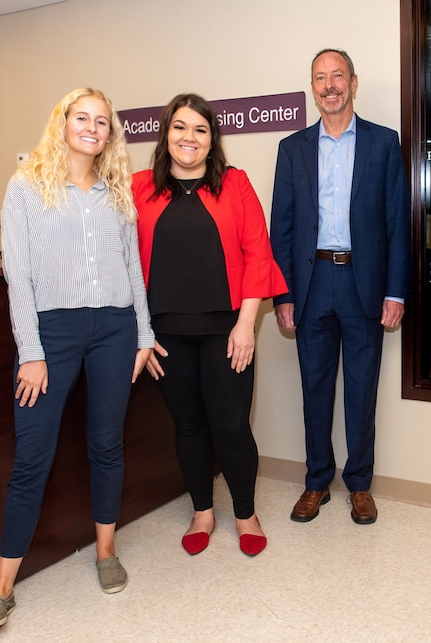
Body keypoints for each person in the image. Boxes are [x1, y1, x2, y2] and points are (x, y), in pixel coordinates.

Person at [0, 88, 154, 631]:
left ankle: (105, 552)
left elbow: (132, 269)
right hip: (52, 333)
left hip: (116, 329)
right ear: (63, 122)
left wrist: (143, 334)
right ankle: (2, 586)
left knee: (106, 444)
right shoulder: (26, 187)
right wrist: (31, 352)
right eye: (83, 117)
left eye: (102, 122)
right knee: (32, 457)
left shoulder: (115, 190)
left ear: (109, 135)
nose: (92, 128)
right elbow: (19, 277)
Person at [132, 94, 287, 558]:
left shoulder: (234, 184)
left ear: (211, 139)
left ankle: (245, 513)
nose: (189, 138)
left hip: (226, 330)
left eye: (200, 130)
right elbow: (121, 259)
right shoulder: (140, 187)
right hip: (166, 332)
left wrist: (246, 327)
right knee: (188, 425)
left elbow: (258, 254)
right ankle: (202, 510)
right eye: (180, 127)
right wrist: (142, 331)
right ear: (166, 135)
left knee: (231, 425)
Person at [270, 48, 411, 525]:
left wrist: (396, 291)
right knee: (314, 387)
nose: (329, 85)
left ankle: (360, 485)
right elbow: (282, 229)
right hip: (311, 284)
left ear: (354, 81)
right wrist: (283, 294)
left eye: (337, 76)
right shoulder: (292, 149)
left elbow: (397, 223)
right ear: (313, 88)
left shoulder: (383, 143)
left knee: (361, 389)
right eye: (319, 78)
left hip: (363, 282)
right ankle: (316, 482)